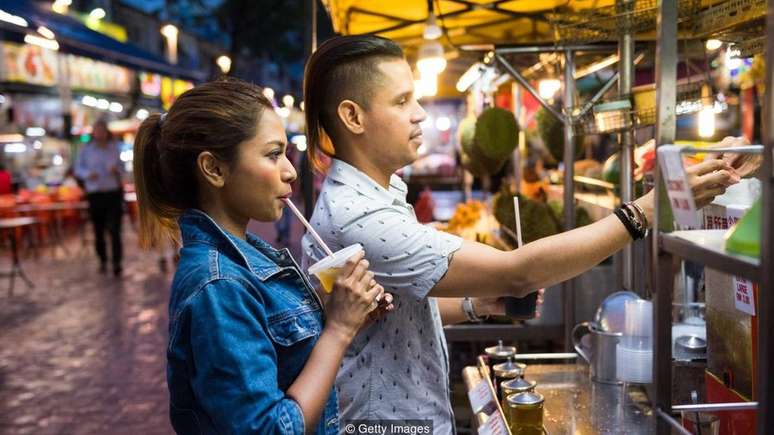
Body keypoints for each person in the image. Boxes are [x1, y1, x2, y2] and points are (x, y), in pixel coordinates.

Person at [301, 35, 745, 433]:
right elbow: (516, 272)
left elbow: (393, 311)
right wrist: (643, 213)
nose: (419, 115)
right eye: (402, 102)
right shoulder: (359, 217)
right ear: (352, 116)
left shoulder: (378, 198)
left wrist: (476, 305)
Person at [132, 78, 393, 434]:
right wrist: (339, 330)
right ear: (214, 169)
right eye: (273, 154)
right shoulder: (219, 286)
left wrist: (340, 313)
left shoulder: (248, 261)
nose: (289, 171)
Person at [75, 119, 125, 276]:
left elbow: (122, 168)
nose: (100, 134)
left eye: (102, 131)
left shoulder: (114, 148)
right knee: (98, 230)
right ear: (94, 133)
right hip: (95, 194)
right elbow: (78, 169)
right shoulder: (86, 150)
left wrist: (116, 169)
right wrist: (88, 175)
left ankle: (117, 262)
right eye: (97, 131)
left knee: (115, 229)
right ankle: (102, 259)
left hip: (113, 192)